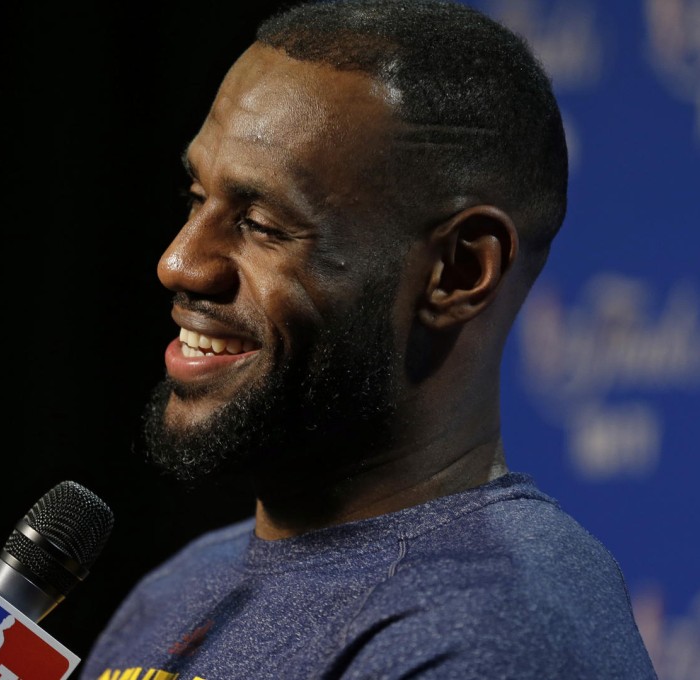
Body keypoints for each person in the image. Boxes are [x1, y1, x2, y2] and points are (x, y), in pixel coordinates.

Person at [77, 1, 658, 679]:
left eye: (262, 222)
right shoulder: (177, 589)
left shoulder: (490, 633)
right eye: (196, 196)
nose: (179, 262)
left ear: (459, 271)